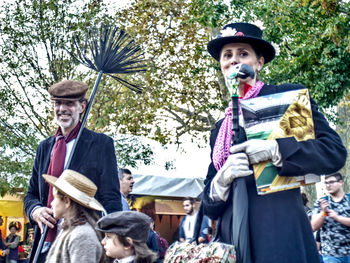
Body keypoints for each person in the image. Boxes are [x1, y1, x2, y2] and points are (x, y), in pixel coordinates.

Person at [201, 22, 347, 263]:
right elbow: (209, 206)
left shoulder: (287, 98)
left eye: (243, 53)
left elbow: (333, 153)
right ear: (221, 64)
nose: (234, 60)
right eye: (227, 55)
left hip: (279, 234)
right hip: (231, 240)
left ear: (259, 62)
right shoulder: (219, 129)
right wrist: (221, 180)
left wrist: (276, 150)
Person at [24, 80, 122, 263]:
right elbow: (31, 194)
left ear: (82, 106)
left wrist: (111, 239)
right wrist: (35, 210)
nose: (62, 108)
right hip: (44, 243)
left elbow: (111, 199)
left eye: (69, 103)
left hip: (81, 241)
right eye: (57, 103)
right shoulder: (44, 147)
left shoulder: (101, 144)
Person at [43, 169, 106, 263]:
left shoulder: (82, 235)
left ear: (67, 201)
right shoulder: (72, 229)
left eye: (55, 197)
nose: (51, 203)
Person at [311, 172, 350, 263]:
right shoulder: (321, 202)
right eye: (326, 183)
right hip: (331, 255)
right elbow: (314, 227)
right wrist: (323, 213)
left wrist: (337, 218)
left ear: (340, 182)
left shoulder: (349, 200)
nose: (328, 185)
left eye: (331, 182)